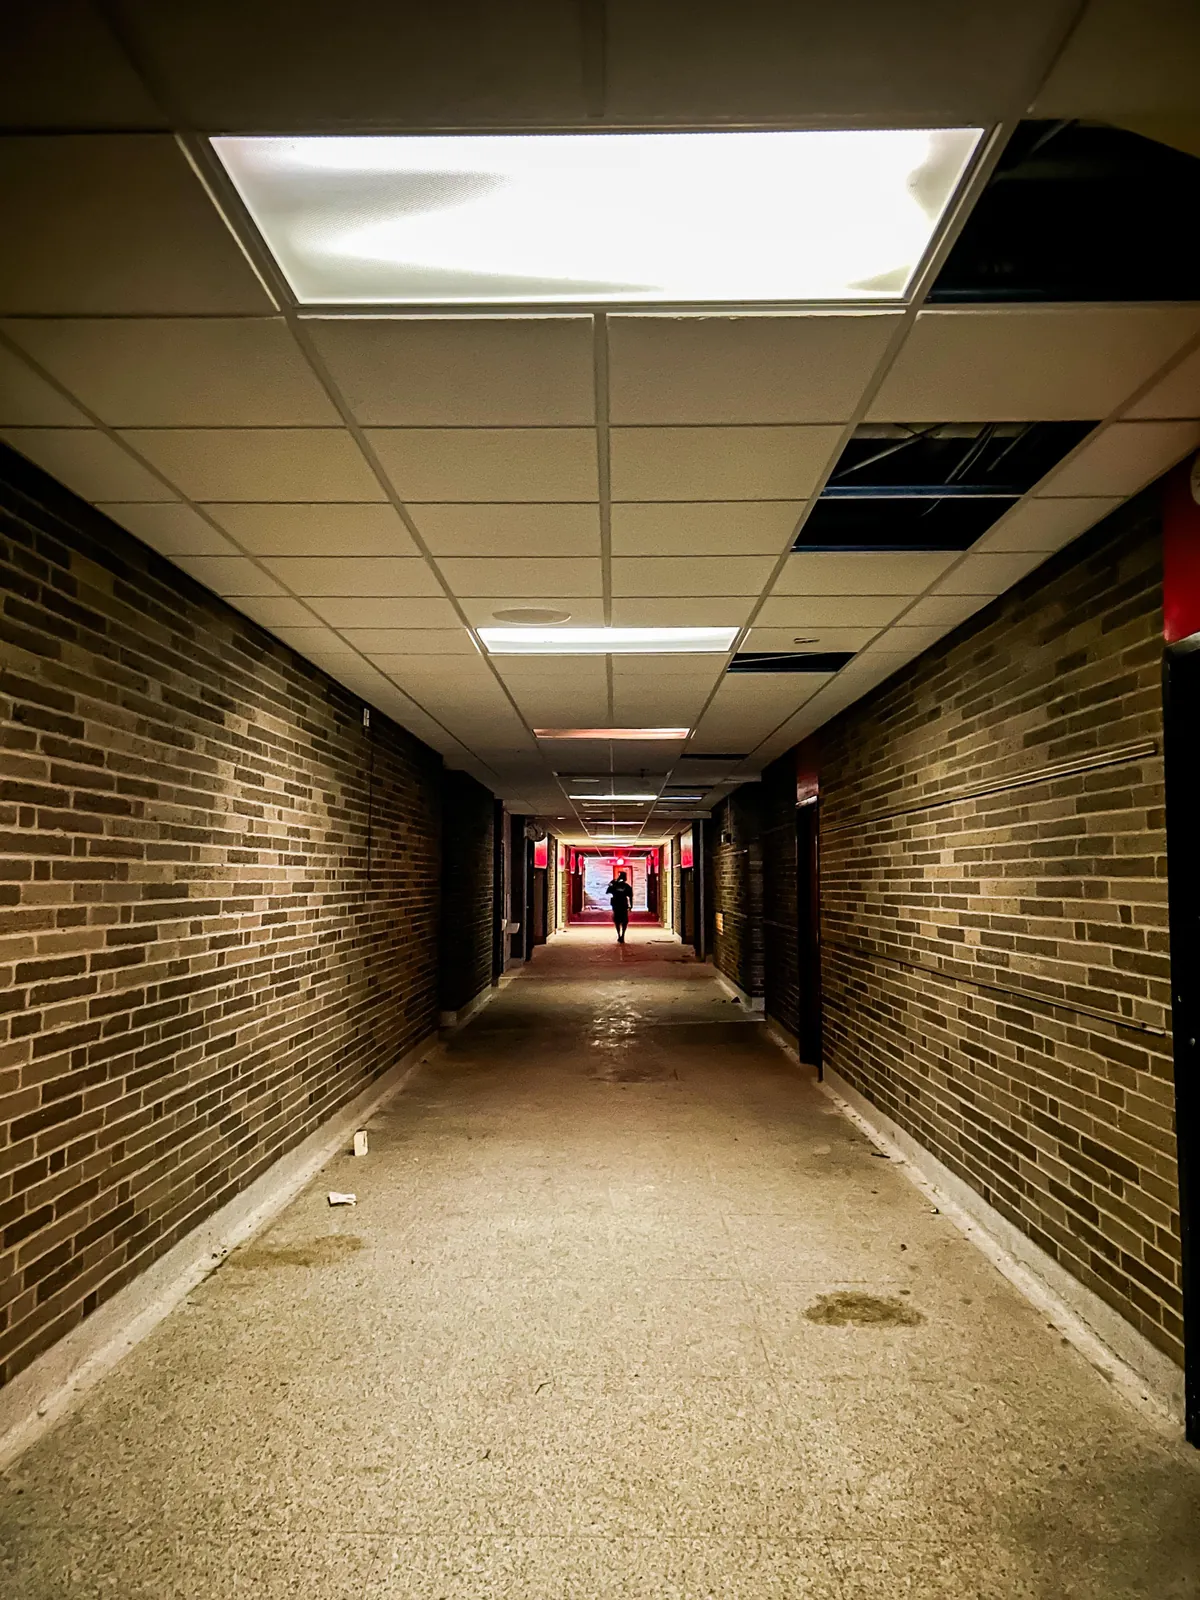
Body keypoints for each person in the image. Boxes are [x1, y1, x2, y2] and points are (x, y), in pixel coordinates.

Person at [606, 869, 634, 944]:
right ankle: (622, 935)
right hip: (623, 904)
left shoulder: (614, 884)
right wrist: (631, 906)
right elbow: (630, 896)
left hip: (616, 904)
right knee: (624, 920)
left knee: (617, 920)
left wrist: (613, 882)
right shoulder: (627, 886)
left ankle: (619, 935)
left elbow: (608, 891)